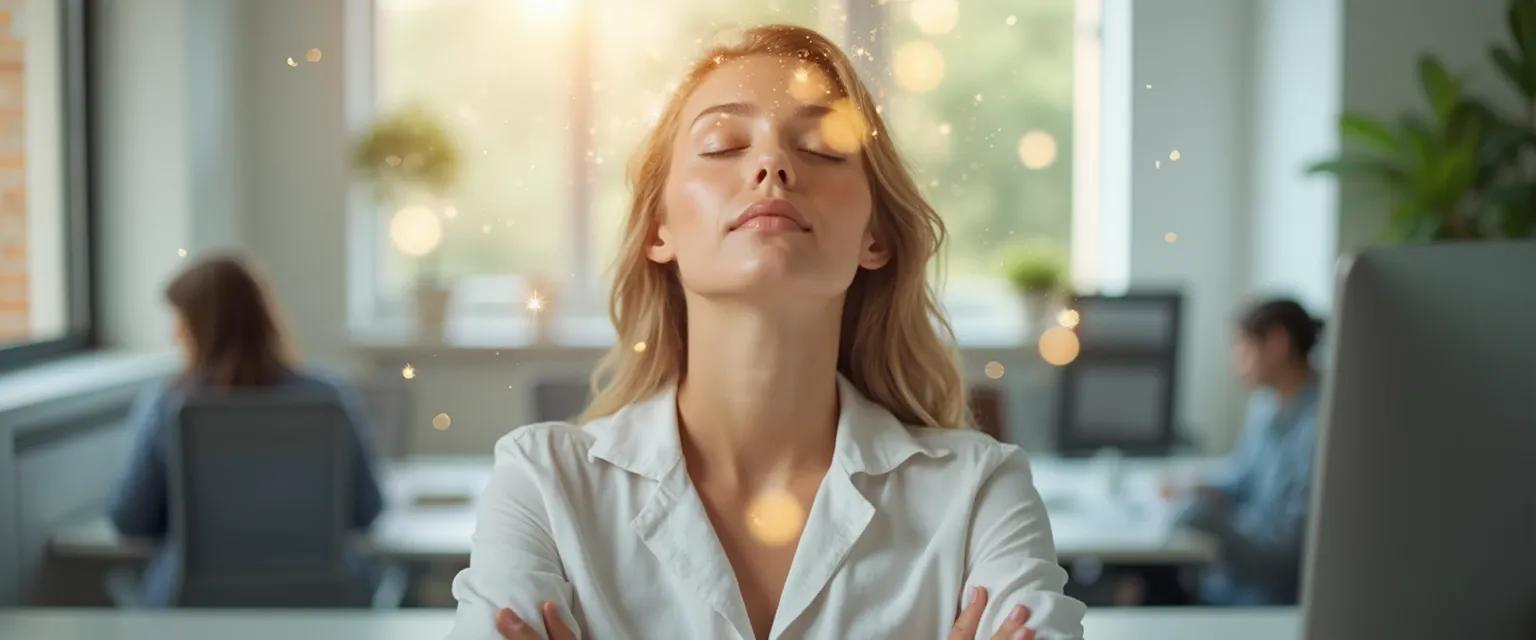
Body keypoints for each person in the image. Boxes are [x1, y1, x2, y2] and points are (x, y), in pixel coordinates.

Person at [447, 24, 1085, 640]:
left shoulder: (979, 490)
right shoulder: (542, 482)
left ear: (876, 236)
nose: (773, 164)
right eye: (724, 144)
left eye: (823, 149)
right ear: (658, 230)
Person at [107, 252, 385, 607]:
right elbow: (367, 510)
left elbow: (130, 520)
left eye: (179, 321)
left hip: (195, 612)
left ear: (198, 327)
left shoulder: (168, 405)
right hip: (315, 608)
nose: (173, 333)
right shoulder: (327, 396)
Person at [1171, 298, 1324, 605]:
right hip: (1238, 575)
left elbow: (1287, 559)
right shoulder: (1267, 403)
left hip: (1266, 598)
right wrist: (1194, 486)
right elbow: (1244, 479)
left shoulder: (1320, 425)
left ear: (1277, 343)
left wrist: (1203, 516)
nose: (1235, 361)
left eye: (1242, 347)